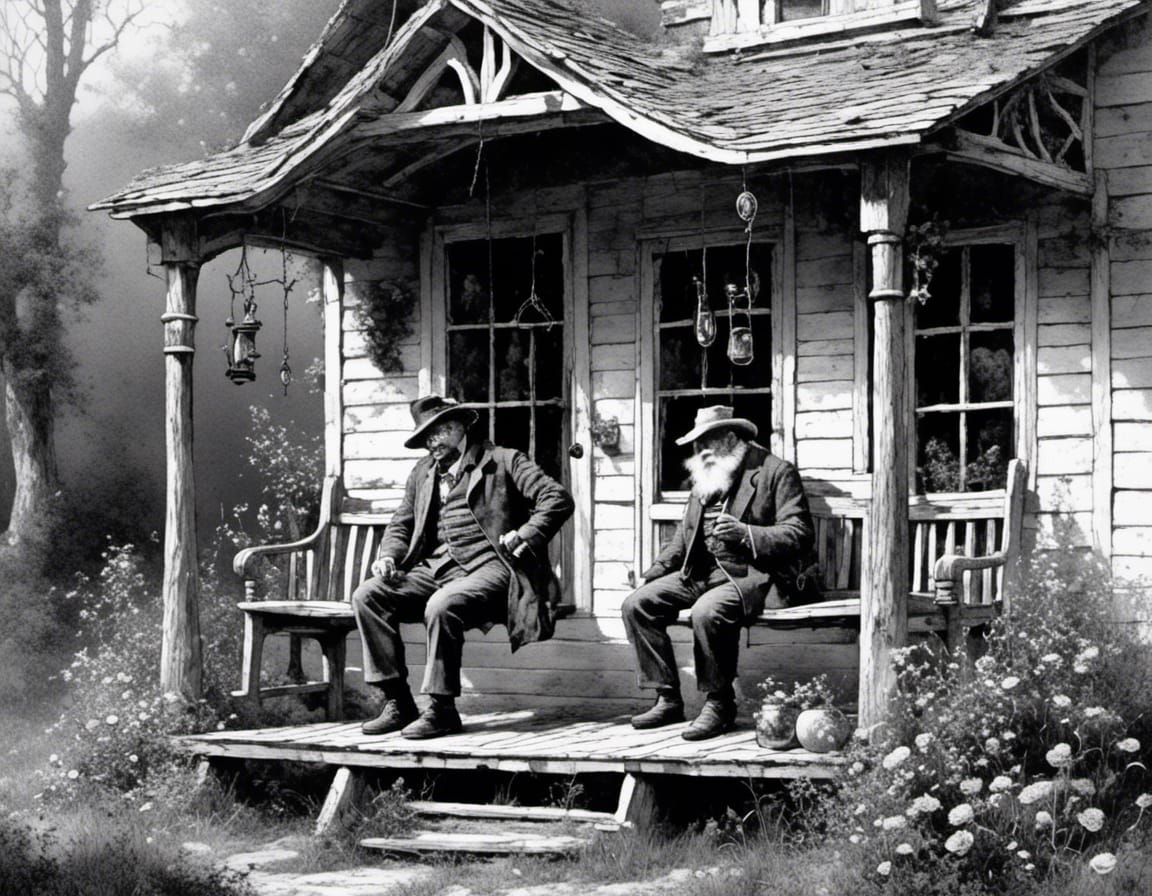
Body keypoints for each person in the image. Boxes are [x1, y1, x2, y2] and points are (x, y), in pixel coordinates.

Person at [352, 395, 574, 739]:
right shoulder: (423, 472)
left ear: (458, 426)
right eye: (424, 438)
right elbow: (401, 524)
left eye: (436, 433)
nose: (430, 443)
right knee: (368, 595)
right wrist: (389, 556)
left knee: (442, 604)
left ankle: (441, 710)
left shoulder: (503, 460)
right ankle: (398, 702)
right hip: (437, 569)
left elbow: (556, 498)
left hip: (493, 566)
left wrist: (526, 534)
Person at [621, 406, 815, 741]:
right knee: (636, 604)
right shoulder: (708, 474)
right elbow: (683, 538)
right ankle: (667, 696)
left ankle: (719, 703)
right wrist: (653, 573)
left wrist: (746, 533)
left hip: (750, 574)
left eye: (706, 442)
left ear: (730, 438)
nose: (700, 452)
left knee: (707, 611)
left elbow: (798, 532)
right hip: (700, 573)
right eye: (696, 445)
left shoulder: (774, 471)